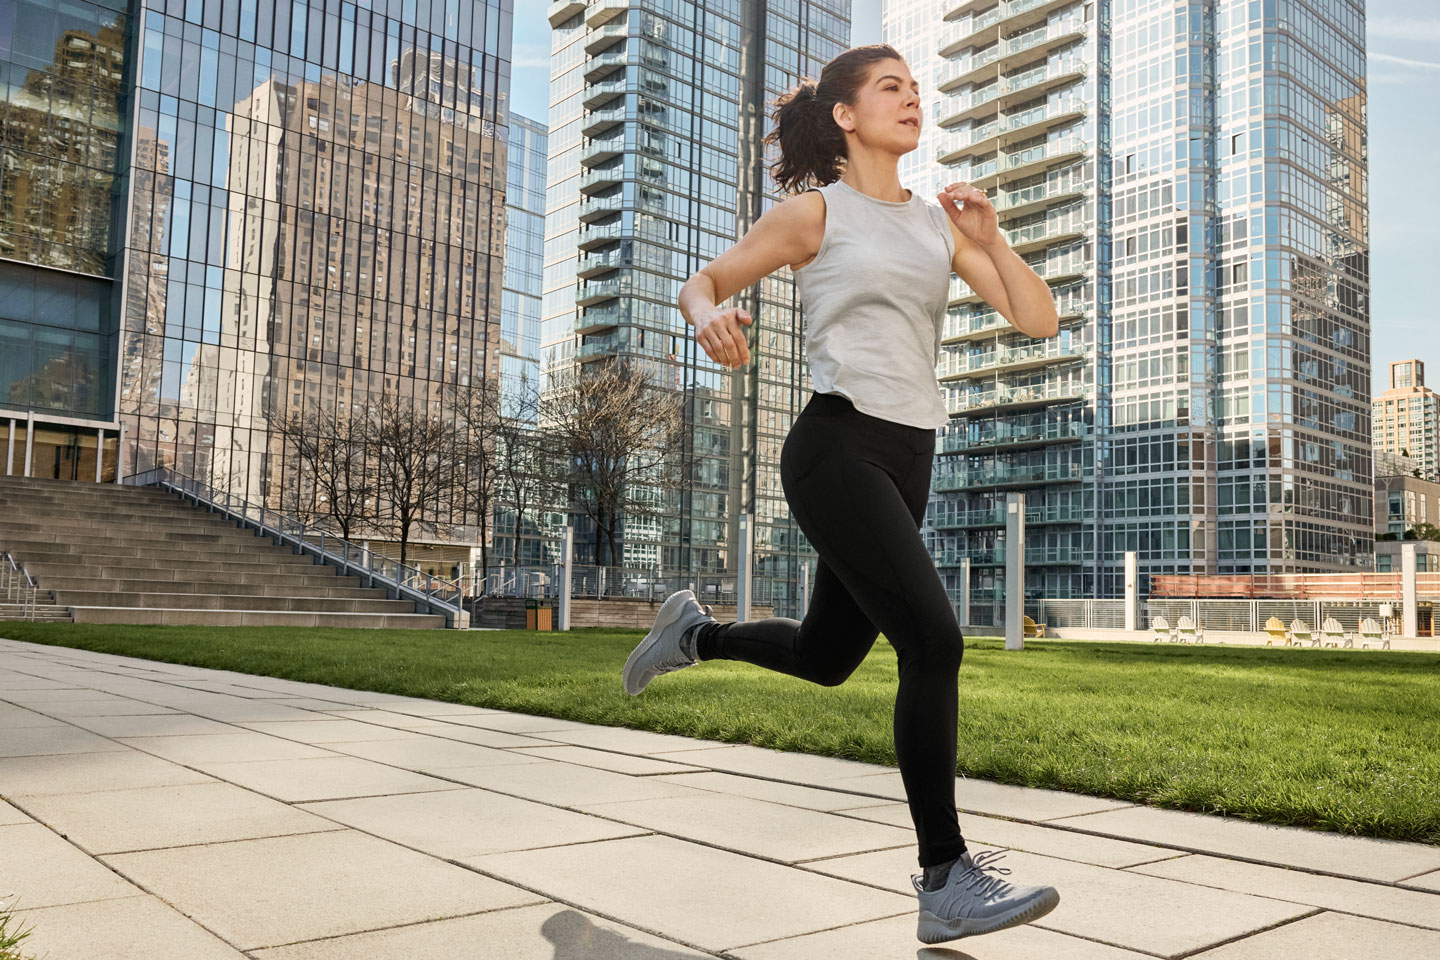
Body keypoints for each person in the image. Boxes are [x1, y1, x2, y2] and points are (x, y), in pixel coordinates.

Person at [621, 44, 1061, 945]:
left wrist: (991, 238)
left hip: (910, 457)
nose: (913, 100)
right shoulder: (814, 213)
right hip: (835, 447)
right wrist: (710, 318)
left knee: (827, 656)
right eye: (892, 87)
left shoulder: (940, 226)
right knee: (934, 641)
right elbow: (700, 283)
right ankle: (944, 877)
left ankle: (694, 635)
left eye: (916, 89)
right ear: (848, 117)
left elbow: (1038, 318)